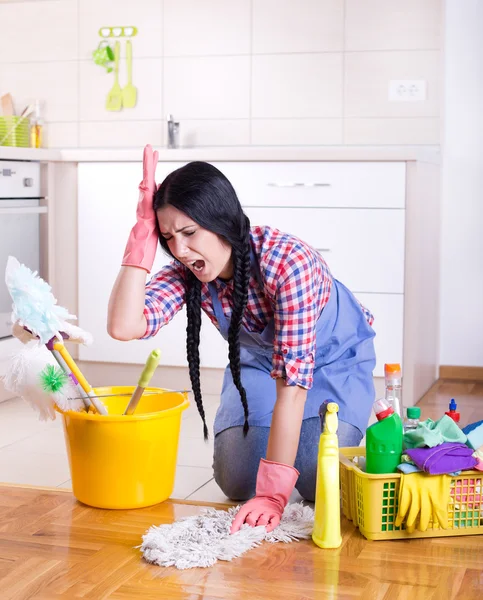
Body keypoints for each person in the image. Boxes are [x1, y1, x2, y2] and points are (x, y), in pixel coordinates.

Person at [108, 146, 376, 534]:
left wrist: (273, 495)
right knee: (236, 478)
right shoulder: (188, 270)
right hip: (259, 365)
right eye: (168, 237)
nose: (180, 251)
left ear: (221, 221)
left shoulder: (286, 262)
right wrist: (141, 239)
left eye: (189, 232)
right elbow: (125, 325)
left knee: (320, 477)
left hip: (333, 362)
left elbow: (293, 389)